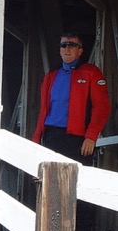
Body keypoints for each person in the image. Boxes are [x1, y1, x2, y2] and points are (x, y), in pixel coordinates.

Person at [32, 32, 111, 166]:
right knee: (49, 179)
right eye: (63, 45)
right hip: (51, 135)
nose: (67, 49)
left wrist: (91, 137)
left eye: (72, 45)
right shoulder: (50, 76)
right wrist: (36, 138)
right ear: (59, 50)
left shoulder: (91, 73)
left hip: (77, 139)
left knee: (77, 181)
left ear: (80, 51)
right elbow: (43, 112)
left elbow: (102, 108)